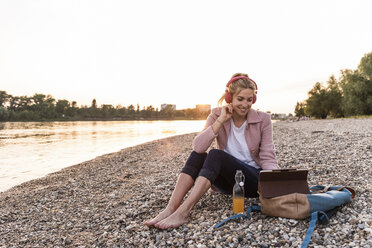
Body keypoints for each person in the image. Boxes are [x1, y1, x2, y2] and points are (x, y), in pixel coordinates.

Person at [144, 73, 279, 229]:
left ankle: (183, 212)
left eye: (249, 100)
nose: (245, 104)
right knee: (198, 155)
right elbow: (198, 147)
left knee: (215, 154)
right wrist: (221, 120)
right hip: (228, 184)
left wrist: (273, 183)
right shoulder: (216, 114)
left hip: (252, 181)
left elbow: (268, 155)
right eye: (240, 99)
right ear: (230, 98)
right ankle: (170, 208)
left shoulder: (263, 119)